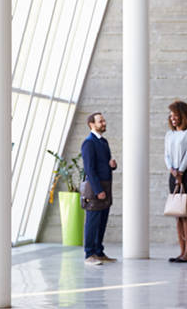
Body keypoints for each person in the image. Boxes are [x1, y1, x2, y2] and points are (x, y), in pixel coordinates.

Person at [80, 112, 118, 266]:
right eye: (100, 121)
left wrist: (112, 166)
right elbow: (89, 168)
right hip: (96, 188)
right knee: (92, 221)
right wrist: (97, 190)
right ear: (91, 124)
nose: (104, 123)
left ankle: (99, 252)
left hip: (106, 185)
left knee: (102, 221)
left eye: (104, 120)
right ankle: (89, 254)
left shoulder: (104, 142)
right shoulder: (88, 142)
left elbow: (103, 164)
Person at [164, 100, 187, 263]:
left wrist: (181, 171)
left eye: (175, 115)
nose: (173, 118)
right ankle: (181, 251)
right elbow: (166, 155)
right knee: (177, 214)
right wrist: (172, 170)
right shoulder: (169, 134)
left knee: (186, 214)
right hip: (173, 173)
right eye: (171, 116)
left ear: (182, 116)